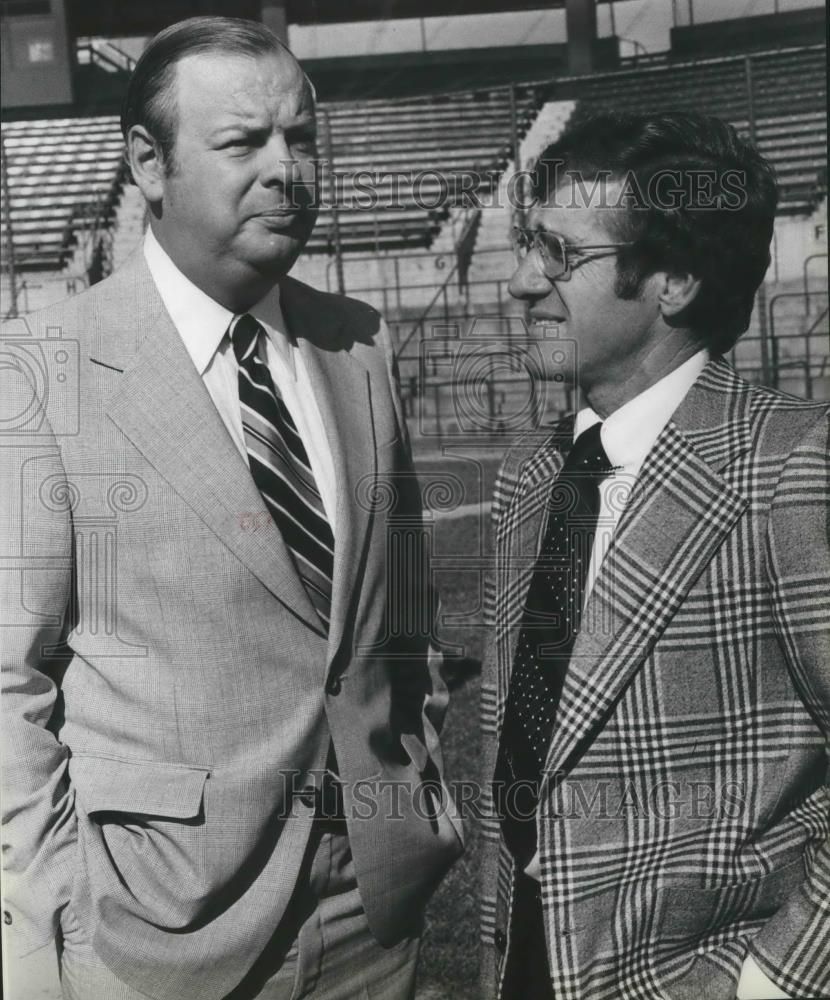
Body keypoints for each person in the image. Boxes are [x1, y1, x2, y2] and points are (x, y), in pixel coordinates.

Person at [1, 17, 462, 1000]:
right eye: (244, 142)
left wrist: (415, 787)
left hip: (372, 914)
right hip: (156, 932)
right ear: (148, 164)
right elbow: (9, 674)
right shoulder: (43, 366)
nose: (286, 169)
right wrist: (59, 907)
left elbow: (403, 615)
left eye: (301, 138)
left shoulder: (357, 343)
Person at [480, 111, 829, 1000]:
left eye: (560, 254)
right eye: (528, 243)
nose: (522, 281)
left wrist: (773, 980)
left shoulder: (791, 466)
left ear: (673, 280)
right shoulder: (532, 472)